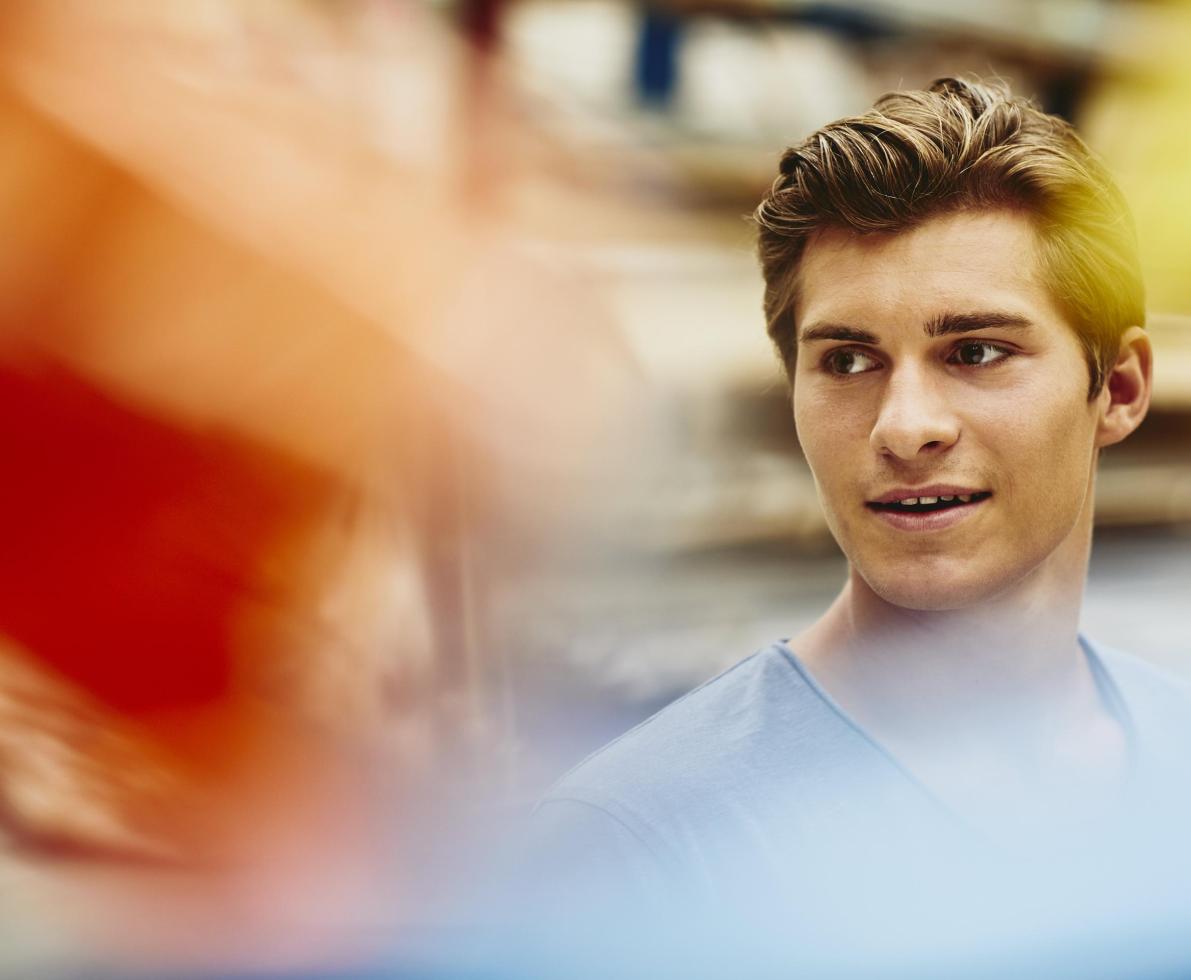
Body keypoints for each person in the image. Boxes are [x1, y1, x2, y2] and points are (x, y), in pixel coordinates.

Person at [523, 77, 1191, 976]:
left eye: (976, 352)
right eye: (846, 360)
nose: (903, 425)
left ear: (1116, 389)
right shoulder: (632, 850)